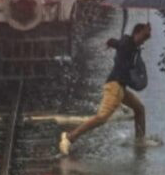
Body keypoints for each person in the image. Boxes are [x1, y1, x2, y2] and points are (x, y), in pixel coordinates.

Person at [60, 23, 152, 155]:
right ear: (137, 32)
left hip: (121, 88)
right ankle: (69, 138)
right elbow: (123, 44)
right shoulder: (128, 44)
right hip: (114, 86)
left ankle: (140, 141)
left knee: (139, 109)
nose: (144, 40)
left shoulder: (132, 47)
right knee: (101, 117)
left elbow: (117, 43)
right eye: (144, 36)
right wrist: (143, 32)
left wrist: (111, 42)